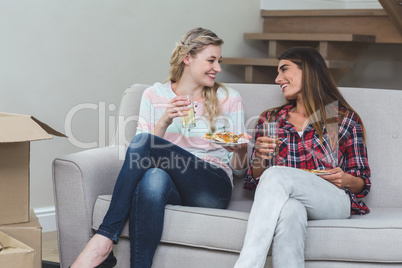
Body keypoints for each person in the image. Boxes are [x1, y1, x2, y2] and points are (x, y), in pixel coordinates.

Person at [70, 27, 250, 268]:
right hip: (171, 185)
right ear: (188, 58)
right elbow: (139, 158)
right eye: (211, 60)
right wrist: (164, 121)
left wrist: (239, 151)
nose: (217, 68)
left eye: (219, 61)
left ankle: (103, 240)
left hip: (212, 186)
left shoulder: (229, 97)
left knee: (146, 144)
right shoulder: (154, 94)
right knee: (153, 177)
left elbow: (239, 172)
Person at [234, 47, 371, 268]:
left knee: (276, 174)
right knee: (290, 211)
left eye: (284, 69)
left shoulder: (340, 118)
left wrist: (344, 179)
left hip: (333, 199)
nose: (278, 79)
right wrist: (259, 157)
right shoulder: (271, 119)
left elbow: (362, 182)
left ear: (307, 70)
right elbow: (253, 181)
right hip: (289, 198)